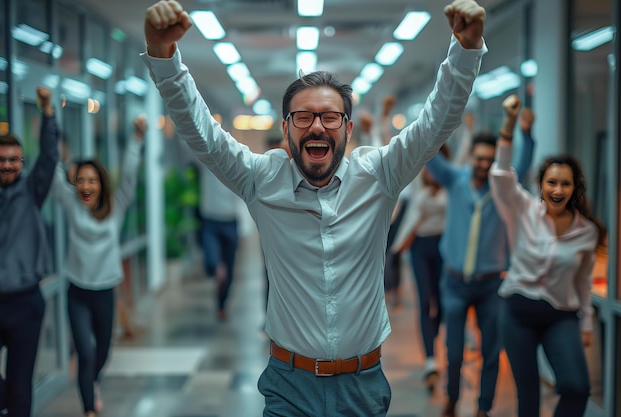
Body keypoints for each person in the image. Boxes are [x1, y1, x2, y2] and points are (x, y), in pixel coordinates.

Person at [141, 0, 486, 414]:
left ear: (348, 129)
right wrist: (165, 60)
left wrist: (464, 51)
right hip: (290, 386)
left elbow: (436, 123)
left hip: (362, 386)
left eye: (330, 117)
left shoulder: (380, 175)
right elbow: (202, 135)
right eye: (303, 117)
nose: (317, 126)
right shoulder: (261, 180)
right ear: (286, 130)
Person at [490, 95, 602, 417]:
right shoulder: (522, 210)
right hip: (517, 312)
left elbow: (582, 281)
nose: (558, 190)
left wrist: (587, 325)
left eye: (565, 184)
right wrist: (509, 125)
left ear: (574, 188)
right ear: (541, 185)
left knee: (576, 387)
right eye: (552, 182)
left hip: (560, 315)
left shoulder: (587, 231)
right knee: (529, 399)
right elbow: (500, 177)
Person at [425, 97, 535, 416]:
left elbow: (524, 166)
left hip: (490, 286)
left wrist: (526, 134)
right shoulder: (454, 180)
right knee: (455, 351)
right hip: (455, 283)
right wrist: (435, 120)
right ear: (471, 157)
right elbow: (430, 157)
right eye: (480, 158)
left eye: (490, 159)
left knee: (491, 350)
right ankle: (452, 398)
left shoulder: (503, 189)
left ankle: (483, 407)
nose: (485, 164)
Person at [50, 116, 146, 417]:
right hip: (77, 290)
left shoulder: (114, 209)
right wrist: (50, 128)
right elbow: (52, 174)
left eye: (92, 180)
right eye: (80, 180)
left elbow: (129, 176)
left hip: (105, 291)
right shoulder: (70, 203)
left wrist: (137, 138)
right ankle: (89, 409)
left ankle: (93, 383)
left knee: (102, 353)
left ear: (100, 183)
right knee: (86, 352)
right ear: (75, 184)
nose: (86, 186)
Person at [0, 87, 59, 417]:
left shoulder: (31, 192)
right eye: (1, 160)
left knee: (21, 386)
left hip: (24, 303)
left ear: (21, 163)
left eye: (13, 160)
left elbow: (49, 156)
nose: (7, 166)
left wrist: (48, 112)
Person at [391, 145, 450, 393]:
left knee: (444, 305)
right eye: (428, 165)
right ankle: (430, 359)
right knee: (426, 301)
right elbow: (395, 156)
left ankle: (433, 338)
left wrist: (467, 132)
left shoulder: (451, 184)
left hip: (444, 248)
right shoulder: (417, 185)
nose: (431, 170)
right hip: (420, 249)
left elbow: (460, 156)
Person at [199, 163, 244, 320]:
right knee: (213, 262)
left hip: (230, 221)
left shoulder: (234, 164)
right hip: (210, 221)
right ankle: (218, 269)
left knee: (229, 269)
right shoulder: (206, 160)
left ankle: (221, 305)